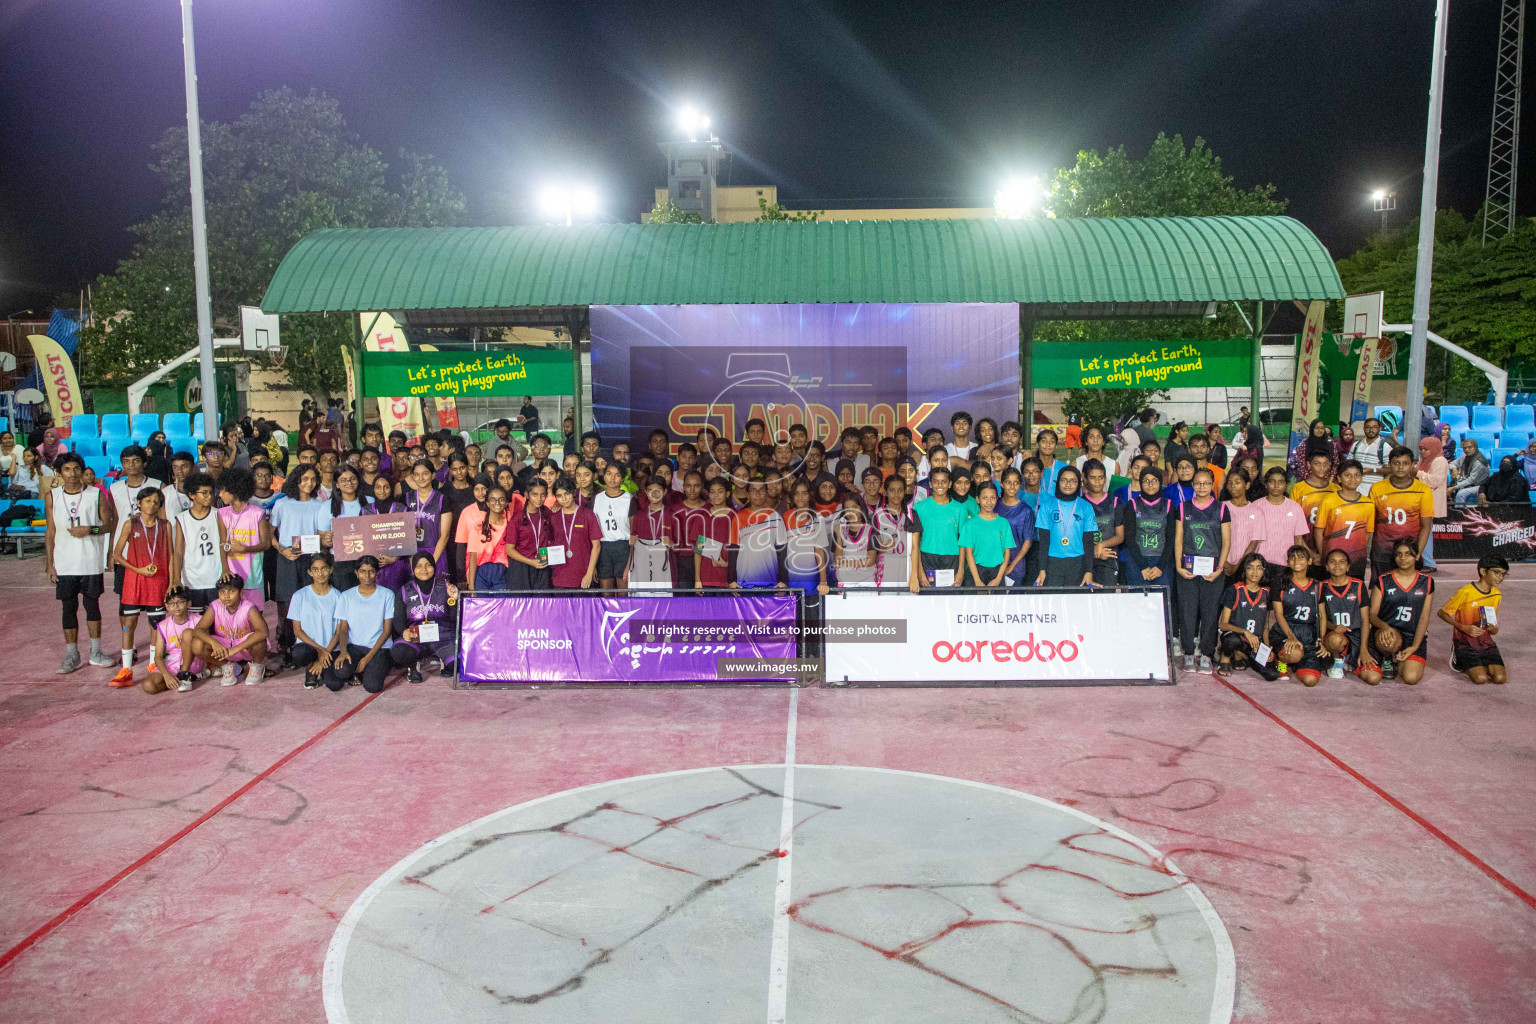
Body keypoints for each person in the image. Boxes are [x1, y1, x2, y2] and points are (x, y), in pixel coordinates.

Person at [45, 454, 116, 674]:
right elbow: (50, 531)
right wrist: (49, 564)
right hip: (65, 562)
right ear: (60, 473)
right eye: (67, 469)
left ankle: (96, 651)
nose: (73, 473)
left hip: (89, 561)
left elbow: (109, 525)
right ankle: (72, 654)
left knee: (92, 606)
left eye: (77, 469)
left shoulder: (96, 495)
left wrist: (89, 530)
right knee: (68, 608)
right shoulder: (52, 496)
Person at [270, 465, 334, 656]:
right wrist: (282, 549)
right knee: (287, 604)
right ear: (296, 479)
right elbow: (268, 532)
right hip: (288, 558)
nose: (309, 483)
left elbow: (322, 534)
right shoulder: (282, 504)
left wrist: (325, 543)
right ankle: (287, 645)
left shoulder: (320, 505)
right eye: (305, 479)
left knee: (311, 602)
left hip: (313, 559)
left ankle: (311, 646)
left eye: (313, 479)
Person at [110, 487, 171, 686]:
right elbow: (117, 555)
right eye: (147, 501)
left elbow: (170, 555)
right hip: (134, 581)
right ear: (139, 503)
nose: (151, 504)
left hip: (158, 581)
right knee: (128, 624)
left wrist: (172, 581)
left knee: (156, 625)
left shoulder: (166, 525)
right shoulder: (130, 524)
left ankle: (153, 664)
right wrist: (138, 569)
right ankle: (126, 669)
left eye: (155, 501)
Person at [1173, 468, 1231, 672]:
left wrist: (1220, 568)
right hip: (1187, 568)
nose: (1202, 487)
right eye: (1198, 483)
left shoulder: (1221, 509)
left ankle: (1206, 654)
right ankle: (1188, 652)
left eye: (1206, 483)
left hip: (1212, 570)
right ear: (1193, 485)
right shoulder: (1183, 508)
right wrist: (1179, 566)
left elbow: (1226, 542)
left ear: (1213, 484)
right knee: (1187, 612)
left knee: (1209, 612)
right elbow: (1178, 539)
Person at [1368, 538, 1433, 684]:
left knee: (1411, 678)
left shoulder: (1426, 582)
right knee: (1390, 640)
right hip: (1388, 633)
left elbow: (1424, 618)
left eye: (1408, 554)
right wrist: (1384, 626)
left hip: (1412, 635)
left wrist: (1414, 647)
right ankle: (1387, 657)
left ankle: (1402, 657)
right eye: (1399, 554)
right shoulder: (1383, 580)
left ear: (1416, 556)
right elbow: (1372, 614)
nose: (1403, 558)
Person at [1438, 554, 1508, 684]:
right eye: (1497, 572)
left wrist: (1494, 629)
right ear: (1483, 571)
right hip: (1465, 643)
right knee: (1480, 679)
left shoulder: (1497, 594)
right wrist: (1463, 627)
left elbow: (1491, 625)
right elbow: (1442, 613)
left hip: (1486, 643)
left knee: (1500, 679)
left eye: (1504, 574)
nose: (1500, 578)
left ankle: (1480, 663)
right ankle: (1457, 655)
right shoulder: (1465, 592)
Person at [391, 551, 460, 682]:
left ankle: (444, 658)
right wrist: (403, 631)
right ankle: (413, 665)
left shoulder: (445, 587)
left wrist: (454, 599)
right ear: (413, 569)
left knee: (457, 665)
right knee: (399, 652)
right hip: (416, 636)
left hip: (443, 636)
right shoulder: (406, 590)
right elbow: (398, 619)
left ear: (434, 566)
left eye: (428, 565)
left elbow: (455, 617)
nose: (424, 569)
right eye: (419, 566)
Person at [192, 572, 269, 686]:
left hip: (244, 646)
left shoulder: (249, 607)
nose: (226, 596)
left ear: (241, 592)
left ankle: (257, 667)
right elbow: (198, 630)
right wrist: (213, 643)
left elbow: (264, 632)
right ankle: (227, 666)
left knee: (259, 641)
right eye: (222, 592)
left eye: (231, 591)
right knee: (197, 644)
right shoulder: (215, 606)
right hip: (224, 646)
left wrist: (236, 649)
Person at [330, 556, 394, 692]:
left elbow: (387, 631)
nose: (367, 576)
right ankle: (359, 670)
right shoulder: (346, 596)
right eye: (363, 571)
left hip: (378, 648)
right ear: (356, 573)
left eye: (371, 571)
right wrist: (343, 651)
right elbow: (343, 629)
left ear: (377, 573)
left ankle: (372, 667)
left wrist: (367, 658)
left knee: (373, 687)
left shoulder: (387, 595)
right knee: (341, 671)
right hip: (355, 646)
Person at [1370, 447, 1435, 581]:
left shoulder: (1423, 490)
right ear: (1389, 465)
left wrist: (1418, 553)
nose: (1400, 467)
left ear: (1412, 465)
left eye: (1405, 463)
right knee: (1380, 592)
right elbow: (1370, 523)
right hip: (1382, 551)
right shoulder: (1377, 488)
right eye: (1396, 463)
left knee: (1409, 593)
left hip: (1409, 552)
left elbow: (1426, 526)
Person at [1320, 548, 1382, 684]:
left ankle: (1351, 661)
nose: (1337, 565)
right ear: (1326, 567)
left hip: (1357, 637)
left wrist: (1364, 650)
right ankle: (1337, 662)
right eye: (1332, 562)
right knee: (1335, 640)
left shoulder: (1358, 586)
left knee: (1374, 678)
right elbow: (1321, 618)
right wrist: (1334, 626)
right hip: (1335, 637)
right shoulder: (1321, 587)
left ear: (1348, 567)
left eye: (1342, 562)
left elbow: (1366, 621)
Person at [107, 446, 162, 599]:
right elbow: (114, 522)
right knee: (125, 602)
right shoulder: (114, 488)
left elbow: (164, 521)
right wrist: (111, 552)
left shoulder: (158, 486)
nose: (131, 465)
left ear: (144, 463)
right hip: (125, 553)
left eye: (136, 461)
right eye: (126, 462)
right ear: (122, 465)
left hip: (152, 551)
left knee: (155, 600)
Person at [1216, 553, 1279, 680]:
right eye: (1250, 567)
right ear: (1244, 570)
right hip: (1236, 636)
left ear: (1264, 571)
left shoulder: (1267, 592)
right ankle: (1226, 658)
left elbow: (1265, 626)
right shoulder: (1234, 590)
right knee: (1232, 640)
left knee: (1272, 675)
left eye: (1259, 568)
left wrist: (1267, 648)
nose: (1255, 572)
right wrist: (1245, 632)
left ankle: (1242, 655)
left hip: (1255, 641)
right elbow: (1222, 624)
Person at [1270, 545, 1325, 685]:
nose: (1296, 560)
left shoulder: (1317, 586)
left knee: (1311, 681)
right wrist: (1291, 637)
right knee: (1294, 654)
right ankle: (1281, 660)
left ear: (1309, 561)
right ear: (1288, 562)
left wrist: (1321, 639)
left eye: (1301, 557)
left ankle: (1296, 664)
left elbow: (1322, 615)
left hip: (1308, 633)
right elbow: (1279, 614)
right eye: (1292, 557)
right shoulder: (1280, 583)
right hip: (1285, 630)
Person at [171, 472, 225, 613]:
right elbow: (178, 552)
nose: (209, 496)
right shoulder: (182, 518)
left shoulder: (218, 515)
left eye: (211, 492)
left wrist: (225, 569)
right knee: (195, 624)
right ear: (192, 495)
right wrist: (176, 579)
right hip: (192, 580)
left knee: (215, 623)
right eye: (204, 493)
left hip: (215, 577)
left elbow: (223, 545)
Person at [288, 553, 343, 690]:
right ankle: (310, 667)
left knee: (335, 685)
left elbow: (338, 632)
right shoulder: (300, 596)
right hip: (309, 646)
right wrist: (320, 651)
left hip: (331, 648)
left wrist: (326, 653)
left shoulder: (339, 597)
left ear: (331, 570)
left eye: (324, 569)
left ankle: (320, 667)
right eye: (315, 570)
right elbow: (297, 631)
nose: (320, 573)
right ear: (309, 572)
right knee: (299, 653)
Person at [906, 468, 967, 591]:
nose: (940, 485)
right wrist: (920, 572)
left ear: (949, 484)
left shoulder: (960, 509)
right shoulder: (920, 507)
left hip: (952, 559)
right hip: (927, 558)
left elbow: (963, 543)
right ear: (930, 484)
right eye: (936, 481)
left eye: (944, 482)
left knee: (950, 601)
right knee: (928, 601)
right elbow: (916, 543)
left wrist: (960, 572)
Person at [1034, 466, 1094, 588]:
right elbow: (1044, 542)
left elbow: (1088, 542)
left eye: (1073, 480)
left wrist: (1089, 571)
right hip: (1052, 562)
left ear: (1079, 483)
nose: (1068, 484)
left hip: (1078, 562)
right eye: (1064, 480)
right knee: (1053, 602)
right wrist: (1042, 569)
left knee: (1074, 603)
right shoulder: (1046, 507)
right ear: (1058, 482)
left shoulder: (1086, 507)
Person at [1121, 466, 1176, 595]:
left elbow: (1171, 537)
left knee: (1160, 605)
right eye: (1146, 481)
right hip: (1138, 562)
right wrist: (1143, 566)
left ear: (1160, 483)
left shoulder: (1168, 505)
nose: (1150, 484)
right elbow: (1129, 538)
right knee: (1138, 604)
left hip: (1161, 561)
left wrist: (1160, 567)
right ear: (1140, 483)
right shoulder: (1133, 504)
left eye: (1154, 480)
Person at [142, 587, 208, 694]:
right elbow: (158, 656)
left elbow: (204, 647)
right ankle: (178, 681)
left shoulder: (198, 620)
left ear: (188, 603)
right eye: (171, 603)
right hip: (171, 663)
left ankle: (186, 675)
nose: (176, 607)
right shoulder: (163, 625)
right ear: (167, 606)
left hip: (192, 661)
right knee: (148, 685)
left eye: (180, 602)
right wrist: (166, 675)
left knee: (188, 633)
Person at [1255, 467, 1309, 592]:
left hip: (1285, 564)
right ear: (1266, 483)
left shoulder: (1295, 508)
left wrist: (1297, 564)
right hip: (1261, 565)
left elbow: (1298, 540)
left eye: (1281, 482)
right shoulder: (1256, 506)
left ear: (1286, 485)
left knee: (1280, 604)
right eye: (1272, 481)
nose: (1276, 485)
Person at [729, 477, 788, 589]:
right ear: (747, 494)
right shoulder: (738, 517)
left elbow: (782, 551)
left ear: (766, 493)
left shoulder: (775, 517)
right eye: (753, 490)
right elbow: (733, 549)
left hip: (771, 583)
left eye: (761, 490)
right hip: (743, 584)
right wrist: (731, 580)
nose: (757, 493)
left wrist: (783, 580)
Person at [958, 483, 1015, 587]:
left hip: (997, 572)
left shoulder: (1003, 523)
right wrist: (977, 581)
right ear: (978, 500)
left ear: (997, 499)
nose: (989, 502)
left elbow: (1006, 554)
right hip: (975, 571)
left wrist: (998, 579)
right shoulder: (970, 524)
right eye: (984, 498)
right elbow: (968, 554)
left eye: (992, 498)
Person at [1290, 450, 1339, 571]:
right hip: (1305, 549)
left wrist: (1326, 554)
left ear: (1330, 465)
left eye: (1325, 464)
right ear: (1308, 465)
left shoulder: (1337, 490)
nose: (1322, 467)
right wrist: (1309, 553)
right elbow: (1293, 526)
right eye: (1317, 463)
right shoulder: (1298, 489)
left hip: (1330, 551)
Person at [549, 478, 600, 589]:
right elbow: (549, 543)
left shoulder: (588, 515)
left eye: (566, 494)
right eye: (559, 495)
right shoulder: (554, 518)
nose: (564, 498)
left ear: (573, 492)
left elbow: (596, 546)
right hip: (560, 575)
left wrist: (589, 573)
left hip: (582, 576)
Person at [403, 460, 452, 576]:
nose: (421, 478)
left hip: (436, 553)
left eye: (425, 473)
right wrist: (413, 561)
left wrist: (431, 562)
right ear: (413, 477)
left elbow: (445, 535)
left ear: (433, 475)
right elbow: (403, 534)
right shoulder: (405, 499)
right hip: (412, 554)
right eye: (416, 474)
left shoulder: (442, 499)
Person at [1081, 459, 1123, 587]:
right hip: (1084, 559)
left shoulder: (1115, 502)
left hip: (1108, 558)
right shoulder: (1080, 503)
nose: (1097, 482)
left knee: (1106, 601)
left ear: (1105, 479)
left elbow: (1120, 536)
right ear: (1085, 478)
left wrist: (1101, 545)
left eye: (1100, 478)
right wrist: (1093, 550)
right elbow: (1075, 535)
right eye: (1093, 478)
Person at [592, 464, 635, 589]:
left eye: (617, 475)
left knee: (623, 592)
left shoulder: (629, 499)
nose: (612, 478)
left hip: (623, 547)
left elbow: (633, 533)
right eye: (609, 474)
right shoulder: (596, 499)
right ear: (604, 476)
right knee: (606, 592)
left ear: (622, 478)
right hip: (603, 548)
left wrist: (630, 562)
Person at [465, 486, 513, 589]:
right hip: (481, 573)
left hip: (503, 572)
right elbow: (473, 557)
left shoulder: (510, 525)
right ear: (487, 503)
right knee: (482, 604)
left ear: (506, 503)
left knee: (501, 603)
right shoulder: (478, 526)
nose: (497, 503)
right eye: (493, 499)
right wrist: (471, 584)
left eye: (501, 499)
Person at [1221, 469, 1264, 580]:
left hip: (1245, 568)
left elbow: (1254, 543)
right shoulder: (1221, 507)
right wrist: (1223, 562)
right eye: (1229, 483)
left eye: (1237, 482)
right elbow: (1215, 538)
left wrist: (1238, 566)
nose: (1233, 486)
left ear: (1247, 485)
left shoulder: (1256, 511)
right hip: (1221, 565)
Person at [1349, 418, 1393, 488]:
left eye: (1374, 427)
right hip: (1355, 488)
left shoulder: (1385, 447)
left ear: (1380, 429)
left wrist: (1373, 470)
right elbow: (1348, 464)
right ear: (1363, 429)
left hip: (1375, 489)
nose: (1371, 430)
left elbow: (1391, 469)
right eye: (1368, 427)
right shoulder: (1356, 445)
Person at [1449, 436, 1489, 506]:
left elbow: (1471, 480)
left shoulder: (1479, 462)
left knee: (1461, 494)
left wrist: (1455, 487)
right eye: (1464, 448)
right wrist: (1454, 469)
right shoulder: (1464, 457)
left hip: (1479, 485)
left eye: (1470, 447)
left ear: (1475, 448)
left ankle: (1460, 513)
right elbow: (1451, 464)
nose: (1467, 450)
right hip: (1466, 483)